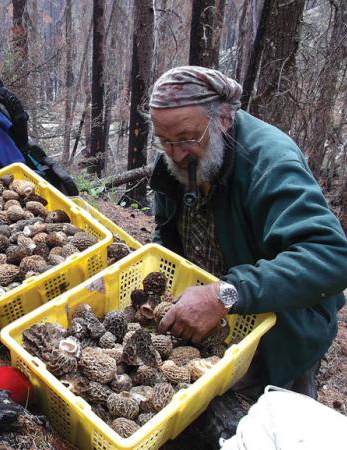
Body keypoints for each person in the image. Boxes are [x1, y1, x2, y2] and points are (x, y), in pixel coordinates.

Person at [149, 66, 347, 405]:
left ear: (224, 119)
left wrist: (224, 294)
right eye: (164, 141)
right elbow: (169, 230)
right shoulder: (180, 157)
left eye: (185, 139)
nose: (175, 153)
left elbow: (331, 256)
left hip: (281, 323)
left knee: (278, 414)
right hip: (214, 312)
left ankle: (292, 389)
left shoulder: (270, 164)